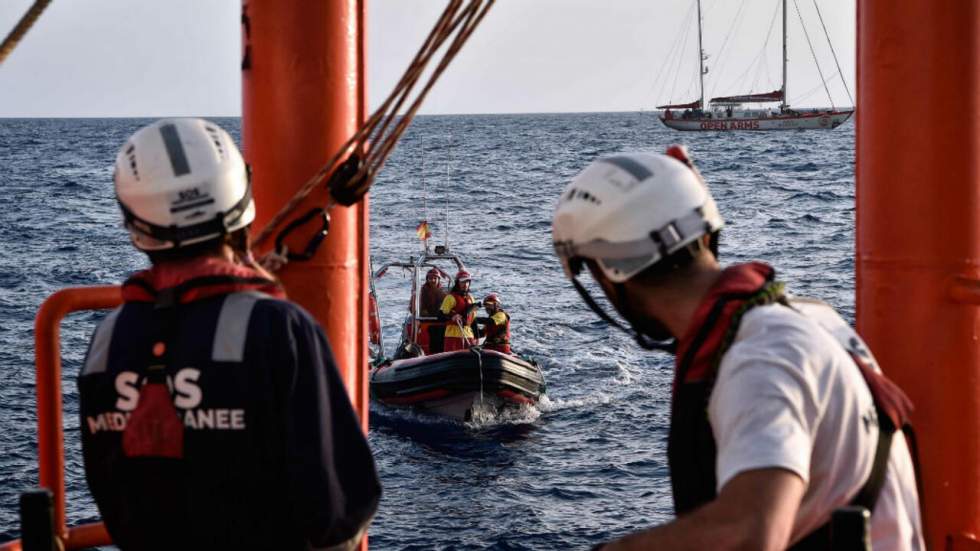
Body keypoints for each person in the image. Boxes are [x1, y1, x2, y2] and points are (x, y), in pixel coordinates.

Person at [552, 148, 924, 550]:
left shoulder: (760, 356)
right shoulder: (807, 321)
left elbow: (751, 532)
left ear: (607, 274)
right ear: (707, 232)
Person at [77, 118, 381, 551]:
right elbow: (338, 511)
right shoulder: (281, 330)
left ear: (135, 223)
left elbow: (111, 494)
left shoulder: (106, 341)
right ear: (241, 199)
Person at [439, 270, 477, 352]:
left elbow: (473, 321)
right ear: (457, 283)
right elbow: (440, 316)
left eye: (467, 282)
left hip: (469, 336)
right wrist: (452, 317)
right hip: (453, 336)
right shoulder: (450, 298)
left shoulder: (471, 299)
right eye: (463, 282)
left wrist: (476, 337)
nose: (465, 285)